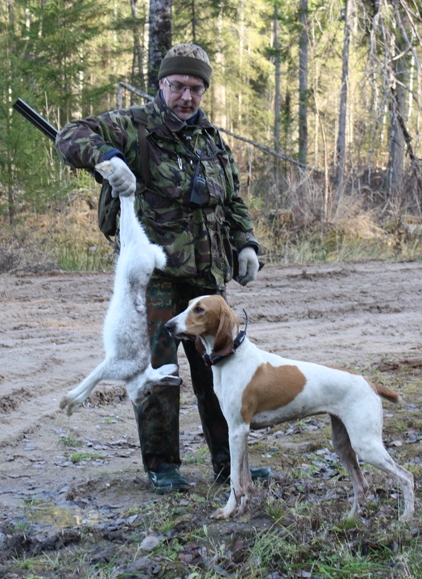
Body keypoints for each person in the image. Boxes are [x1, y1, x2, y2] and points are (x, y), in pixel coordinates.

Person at [55, 43, 270, 493]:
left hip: (206, 282)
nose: (186, 96)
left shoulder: (210, 139)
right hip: (152, 279)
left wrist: (246, 243)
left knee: (221, 371)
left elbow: (230, 200)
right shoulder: (134, 126)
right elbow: (69, 136)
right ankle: (162, 467)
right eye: (178, 86)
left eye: (195, 88)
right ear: (161, 84)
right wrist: (107, 158)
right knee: (156, 370)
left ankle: (229, 463)